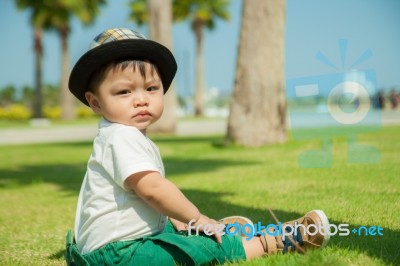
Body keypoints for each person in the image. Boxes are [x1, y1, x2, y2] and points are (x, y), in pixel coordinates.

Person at [66, 28, 331, 265]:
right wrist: (197, 217)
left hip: (109, 248)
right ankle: (267, 242)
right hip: (121, 255)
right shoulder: (122, 137)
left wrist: (181, 220)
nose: (141, 100)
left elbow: (140, 202)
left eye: (151, 88)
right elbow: (152, 189)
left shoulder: (116, 134)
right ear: (96, 103)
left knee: (173, 230)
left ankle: (206, 232)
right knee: (197, 252)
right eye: (124, 92)